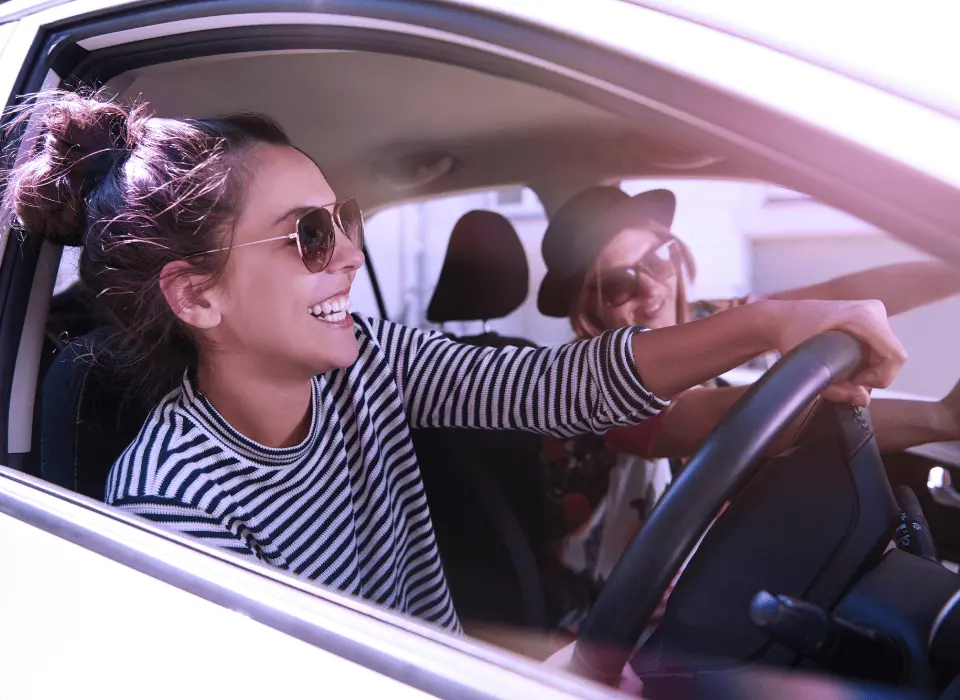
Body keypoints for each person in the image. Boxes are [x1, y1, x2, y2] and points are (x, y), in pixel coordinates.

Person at [5, 91, 907, 637]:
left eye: (346, 218)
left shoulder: (369, 364)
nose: (350, 255)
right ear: (196, 296)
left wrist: (775, 321)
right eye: (310, 235)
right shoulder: (170, 500)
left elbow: (558, 388)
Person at [536, 185, 960, 635]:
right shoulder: (587, 386)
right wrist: (941, 418)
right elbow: (726, 418)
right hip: (622, 624)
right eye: (620, 285)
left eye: (658, 260)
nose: (652, 291)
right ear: (588, 310)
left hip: (712, 579)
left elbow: (836, 299)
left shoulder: (699, 318)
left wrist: (950, 269)